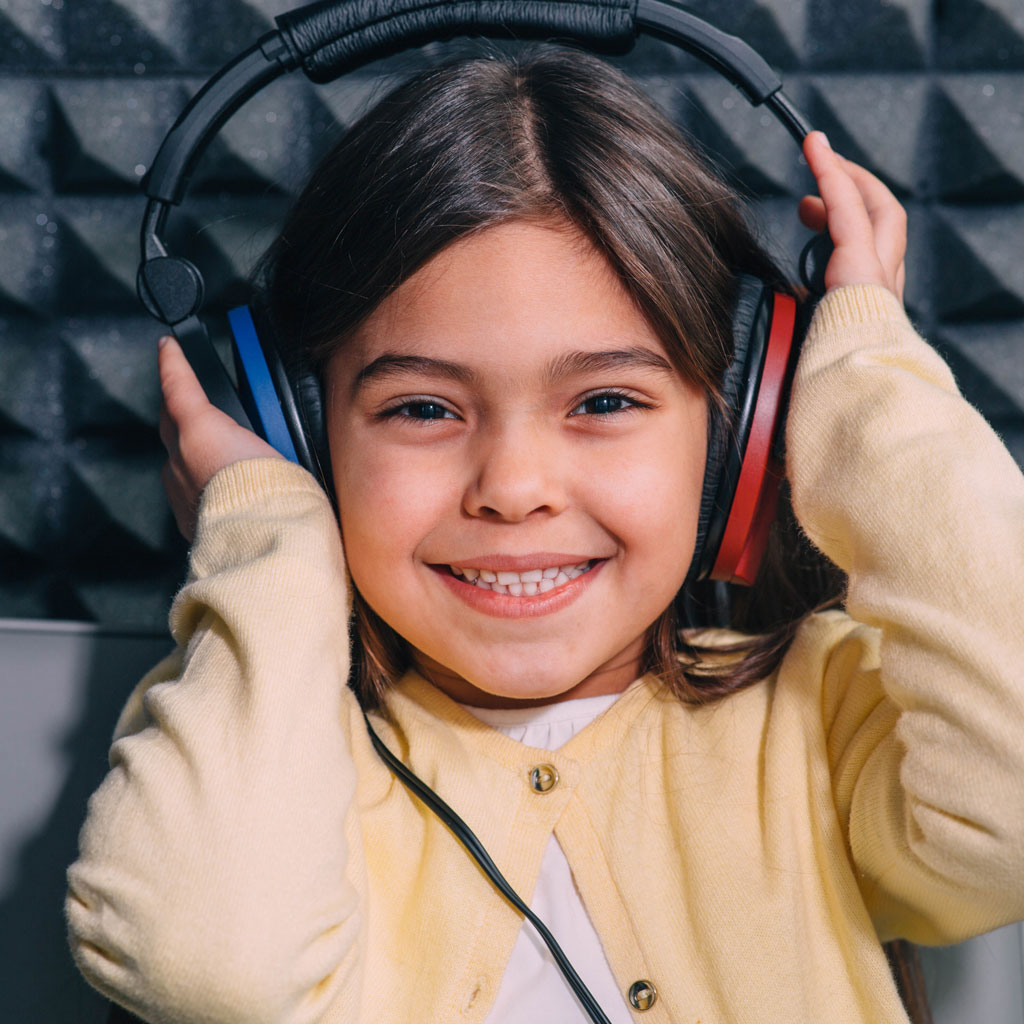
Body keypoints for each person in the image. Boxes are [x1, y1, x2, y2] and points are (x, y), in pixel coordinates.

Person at [65, 45, 1024, 1024]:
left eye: (604, 399)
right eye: (423, 409)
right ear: (299, 435)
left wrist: (864, 384)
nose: (513, 489)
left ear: (740, 426)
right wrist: (268, 542)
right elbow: (204, 965)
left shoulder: (822, 719)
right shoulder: (273, 751)